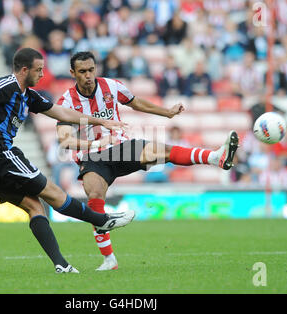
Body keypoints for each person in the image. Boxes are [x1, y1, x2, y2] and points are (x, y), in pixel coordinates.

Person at [0, 48, 135, 274]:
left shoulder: (29, 95)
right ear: (24, 70)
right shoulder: (8, 85)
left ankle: (61, 264)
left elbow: (62, 113)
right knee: (52, 192)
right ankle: (101, 220)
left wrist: (99, 120)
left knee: (34, 206)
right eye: (39, 70)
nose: (43, 74)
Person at [56, 51, 239, 271]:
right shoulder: (66, 101)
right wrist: (94, 144)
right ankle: (109, 260)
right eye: (82, 71)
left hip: (120, 147)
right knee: (94, 193)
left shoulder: (111, 87)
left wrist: (167, 113)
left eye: (91, 70)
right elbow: (65, 139)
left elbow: (136, 103)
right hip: (92, 156)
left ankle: (214, 157)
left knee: (160, 151)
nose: (88, 76)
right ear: (72, 73)